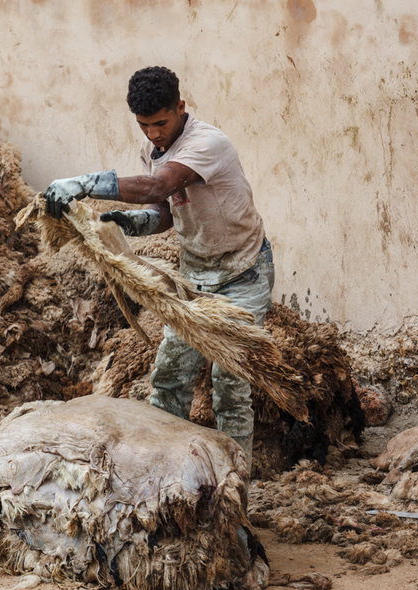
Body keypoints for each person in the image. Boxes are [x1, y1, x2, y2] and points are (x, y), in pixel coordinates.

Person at [44, 65, 274, 464]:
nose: (152, 134)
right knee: (169, 377)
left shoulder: (207, 143)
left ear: (180, 107)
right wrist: (133, 223)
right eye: (143, 125)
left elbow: (159, 185)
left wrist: (83, 184)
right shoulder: (153, 151)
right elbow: (165, 209)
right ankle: (163, 472)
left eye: (160, 123)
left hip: (243, 273)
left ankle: (237, 484)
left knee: (230, 384)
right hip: (194, 276)